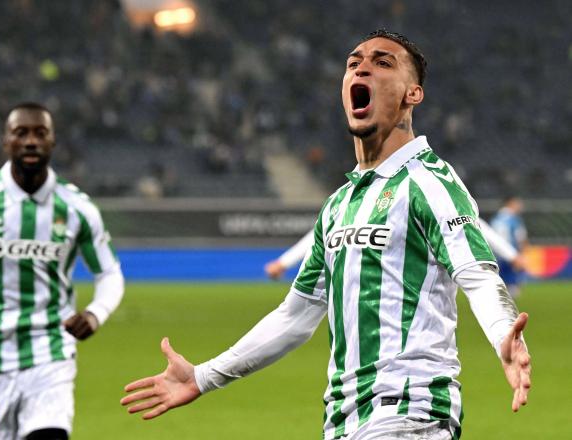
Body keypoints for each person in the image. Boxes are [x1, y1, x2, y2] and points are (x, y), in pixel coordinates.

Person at [120, 30, 531, 439]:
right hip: (345, 423)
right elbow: (295, 316)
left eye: (382, 62)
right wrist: (203, 376)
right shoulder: (339, 204)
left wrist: (503, 334)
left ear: (412, 94)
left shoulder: (429, 182)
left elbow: (477, 275)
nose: (362, 67)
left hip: (409, 414)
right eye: (354, 63)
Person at [0, 102, 125, 440]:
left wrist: (96, 312)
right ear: (6, 142)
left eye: (40, 133)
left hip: (50, 350)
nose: (31, 141)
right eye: (21, 133)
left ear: (53, 142)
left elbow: (109, 272)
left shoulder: (77, 208)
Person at [264, 218, 523, 280]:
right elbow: (324, 230)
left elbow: (475, 225)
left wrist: (511, 255)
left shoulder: (429, 185)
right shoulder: (357, 192)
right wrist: (285, 262)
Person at [491, 196, 528, 298]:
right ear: (510, 203)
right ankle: (508, 309)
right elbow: (520, 237)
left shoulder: (496, 218)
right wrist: (522, 253)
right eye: (517, 203)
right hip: (511, 255)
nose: (520, 205)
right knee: (513, 286)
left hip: (495, 255)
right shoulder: (514, 219)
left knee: (499, 283)